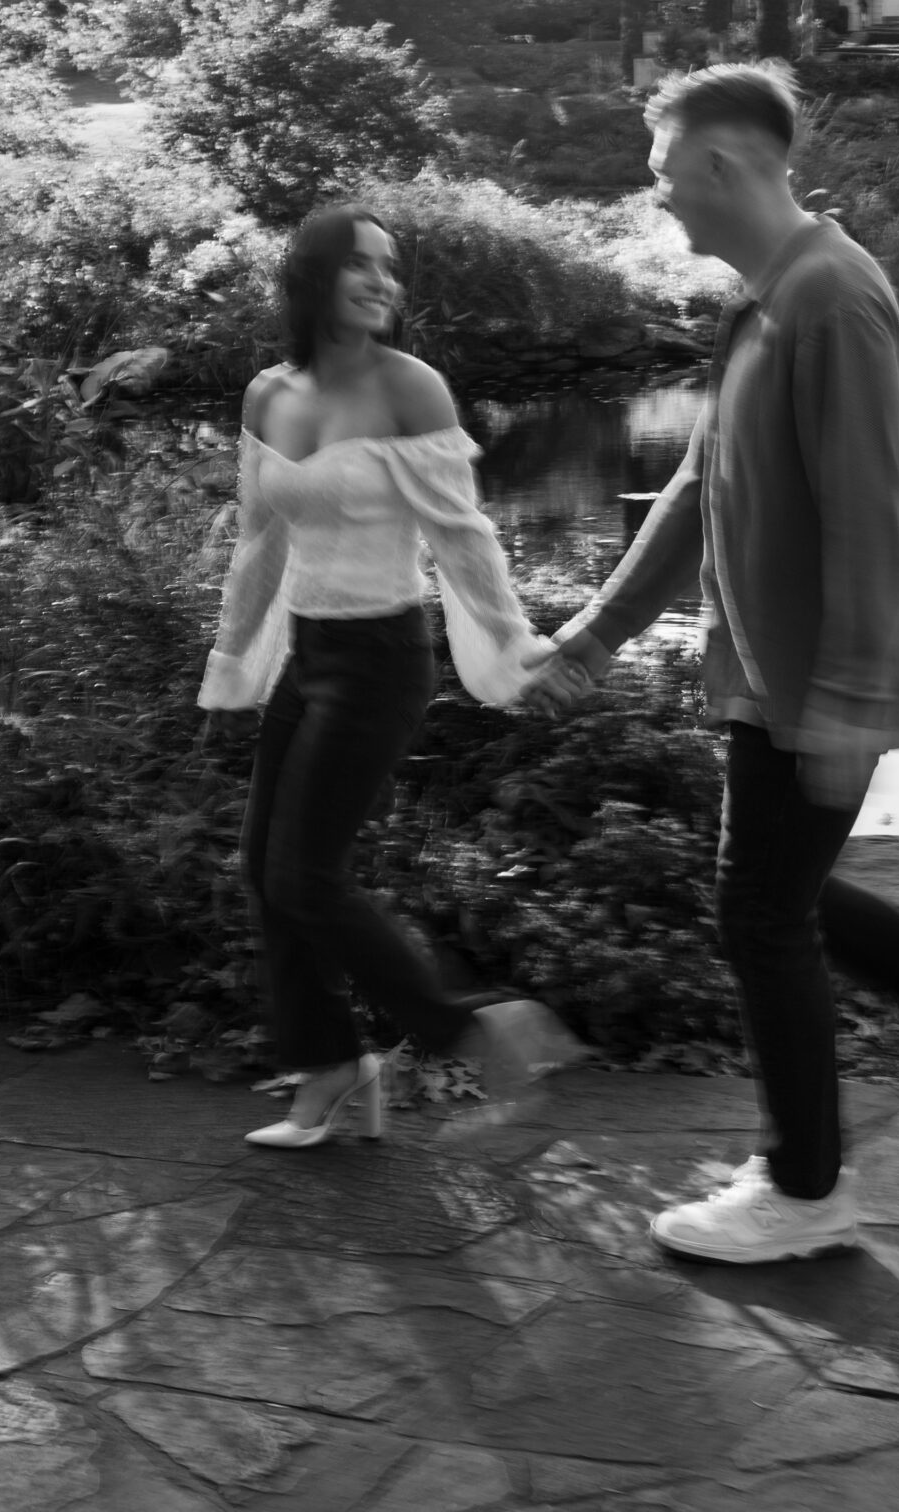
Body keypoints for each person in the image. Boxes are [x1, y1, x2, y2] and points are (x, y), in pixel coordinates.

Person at [537, 65, 899, 1264]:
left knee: (759, 910)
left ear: (721, 167)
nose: (661, 204)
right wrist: (593, 637)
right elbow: (697, 492)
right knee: (779, 896)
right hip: (772, 671)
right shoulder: (768, 300)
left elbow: (873, 516)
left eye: (662, 178)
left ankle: (805, 1190)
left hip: (819, 680)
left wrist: (844, 703)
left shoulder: (833, 299)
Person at [200, 201, 578, 1148]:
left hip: (380, 657)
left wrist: (513, 635)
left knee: (306, 875)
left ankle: (469, 1031)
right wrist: (231, 661)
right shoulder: (268, 395)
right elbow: (258, 545)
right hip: (308, 653)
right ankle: (328, 1065)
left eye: (390, 267)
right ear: (312, 277)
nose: (382, 282)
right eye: (360, 264)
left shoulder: (412, 389)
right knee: (264, 871)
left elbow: (464, 536)